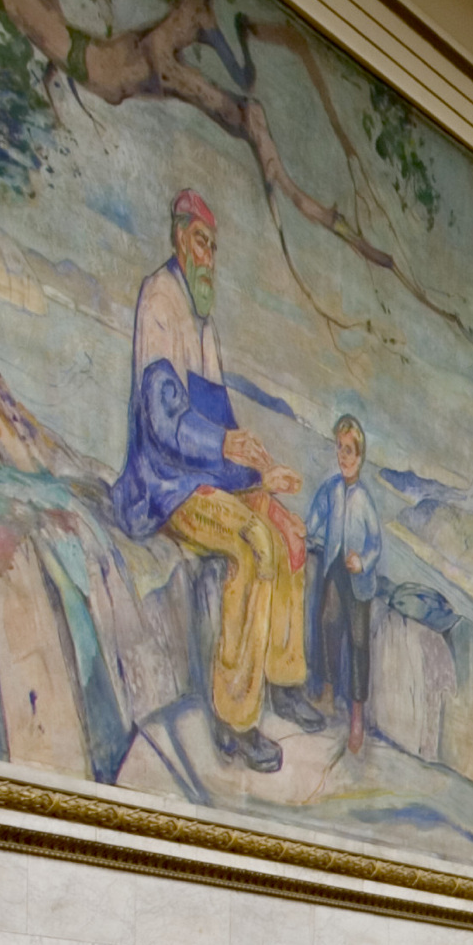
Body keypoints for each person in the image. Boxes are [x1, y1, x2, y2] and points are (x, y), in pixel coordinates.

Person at [111, 188, 307, 771]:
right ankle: (234, 720)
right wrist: (225, 447)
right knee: (252, 542)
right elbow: (164, 419)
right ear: (179, 238)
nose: (209, 257)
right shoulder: (160, 301)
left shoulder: (205, 325)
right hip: (167, 485)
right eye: (202, 242)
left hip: (206, 477)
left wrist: (262, 474)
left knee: (287, 530)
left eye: (215, 247)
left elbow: (225, 428)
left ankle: (284, 676)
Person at [306, 416, 385, 754]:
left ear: (360, 456)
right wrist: (305, 531)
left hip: (359, 581)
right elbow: (314, 519)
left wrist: (363, 562)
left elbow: (376, 544)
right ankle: (326, 687)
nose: (343, 456)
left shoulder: (364, 500)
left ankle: (356, 715)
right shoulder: (331, 490)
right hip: (334, 568)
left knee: (357, 643)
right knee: (326, 622)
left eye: (349, 450)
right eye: (340, 449)